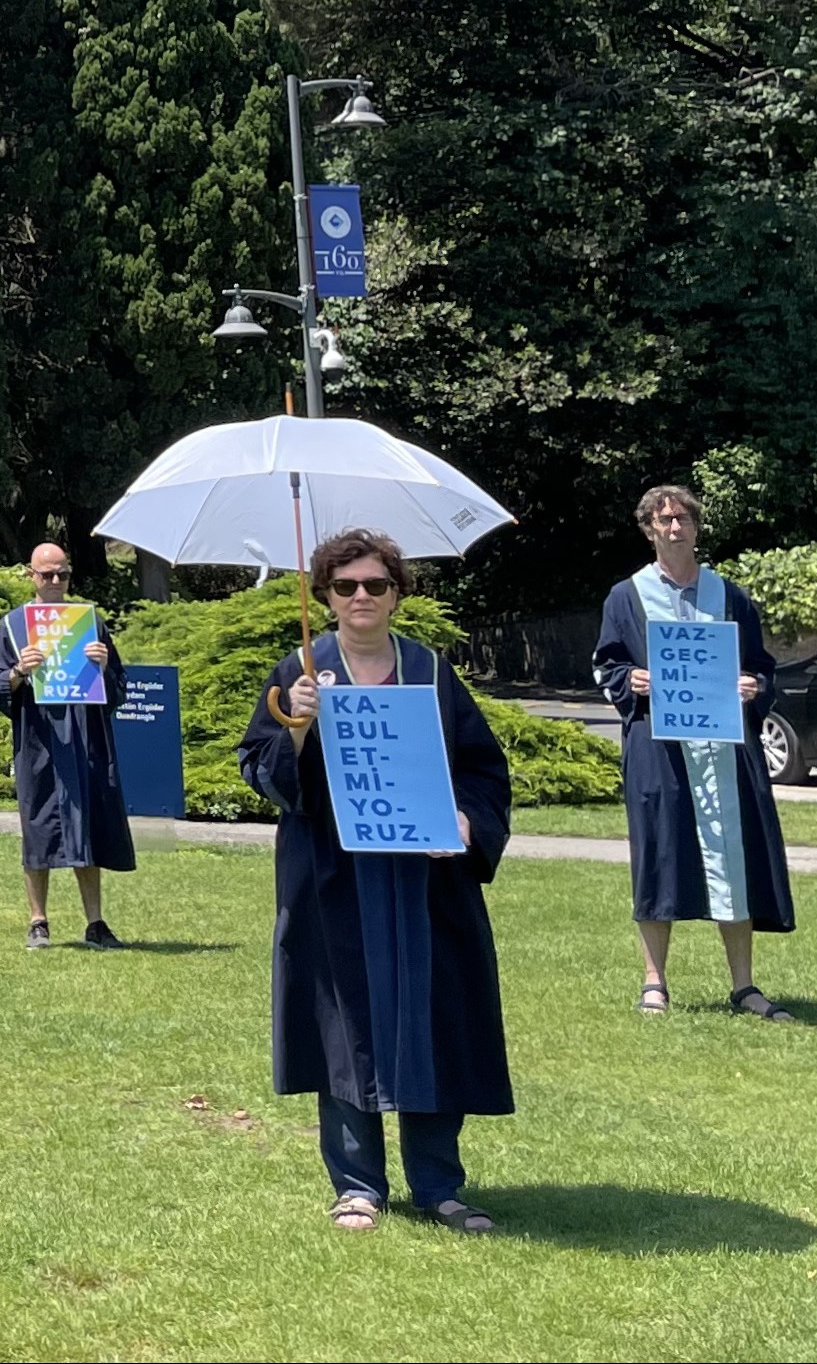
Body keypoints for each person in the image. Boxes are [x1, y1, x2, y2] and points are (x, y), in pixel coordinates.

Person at [240, 528, 513, 1235]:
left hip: (426, 883)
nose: (361, 597)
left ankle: (439, 1185)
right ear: (324, 596)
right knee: (342, 1025)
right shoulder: (300, 670)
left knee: (433, 1019)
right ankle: (358, 1185)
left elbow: (483, 768)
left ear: (397, 593)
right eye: (345, 586)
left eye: (376, 585)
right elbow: (259, 769)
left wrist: (464, 822)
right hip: (334, 877)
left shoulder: (428, 671)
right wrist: (295, 726)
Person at [595, 483, 797, 1020]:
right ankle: (654, 982)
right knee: (659, 857)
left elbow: (760, 664)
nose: (674, 527)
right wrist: (628, 680)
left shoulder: (729, 596)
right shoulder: (627, 597)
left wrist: (755, 686)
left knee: (734, 857)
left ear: (696, 525)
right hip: (658, 748)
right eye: (663, 520)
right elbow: (605, 665)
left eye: (682, 517)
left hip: (725, 750)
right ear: (648, 529)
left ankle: (744, 985)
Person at [0, 542, 135, 949]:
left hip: (87, 737)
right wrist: (17, 671)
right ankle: (38, 921)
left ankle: (96, 923)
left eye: (61, 574)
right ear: (31, 576)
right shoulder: (13, 626)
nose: (54, 581)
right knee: (39, 826)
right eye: (46, 574)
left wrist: (102, 665)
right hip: (39, 739)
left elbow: (118, 687)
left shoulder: (90, 623)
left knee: (90, 825)